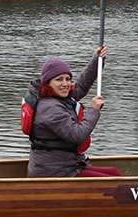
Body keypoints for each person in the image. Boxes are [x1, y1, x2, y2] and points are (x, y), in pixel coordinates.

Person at [26, 46, 121, 177]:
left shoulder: (57, 96)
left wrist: (97, 60)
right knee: (114, 181)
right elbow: (77, 135)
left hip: (67, 165)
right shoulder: (49, 108)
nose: (65, 84)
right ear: (47, 83)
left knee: (114, 173)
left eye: (68, 79)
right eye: (59, 79)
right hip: (54, 172)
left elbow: (81, 86)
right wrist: (93, 110)